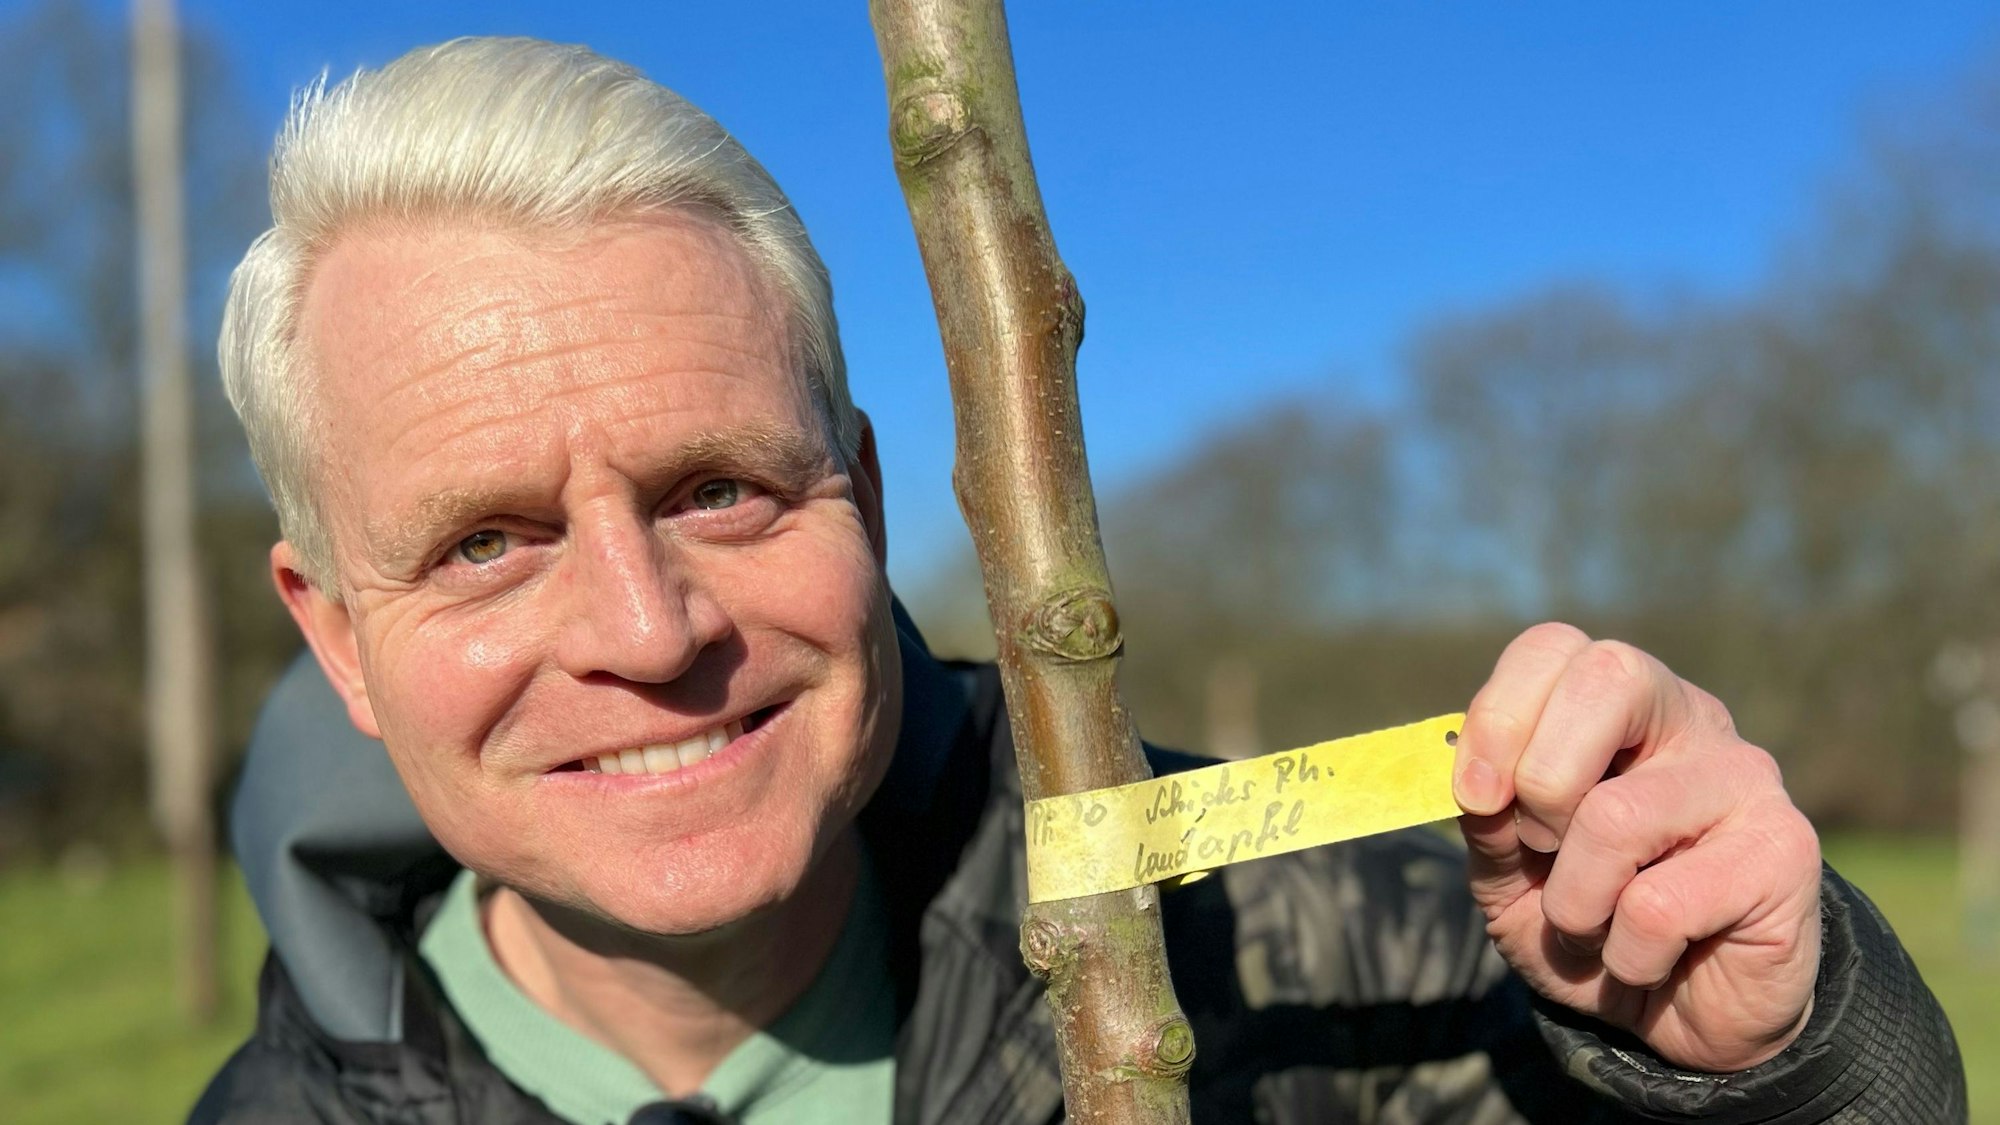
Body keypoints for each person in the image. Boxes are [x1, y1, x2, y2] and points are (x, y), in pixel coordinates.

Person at [191, 36, 1964, 1125]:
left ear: (870, 500)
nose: (650, 633)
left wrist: (1771, 1067)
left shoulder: (1326, 963)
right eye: (486, 542)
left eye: (723, 489)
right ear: (335, 635)